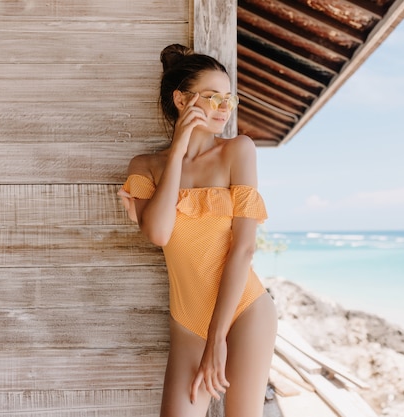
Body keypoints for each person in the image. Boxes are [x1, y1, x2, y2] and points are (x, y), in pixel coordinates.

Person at [119, 44, 278, 417]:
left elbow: (243, 249)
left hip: (243, 312)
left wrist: (217, 339)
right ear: (181, 99)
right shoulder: (145, 166)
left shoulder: (238, 151)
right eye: (212, 98)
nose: (224, 109)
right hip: (188, 321)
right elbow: (158, 233)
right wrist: (177, 151)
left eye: (228, 99)